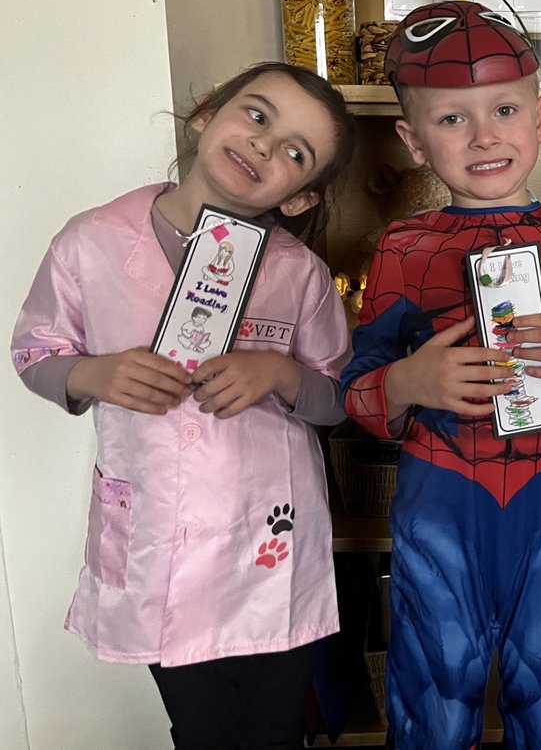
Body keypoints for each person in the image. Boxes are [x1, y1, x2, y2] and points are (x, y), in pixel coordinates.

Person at [11, 62, 357, 749]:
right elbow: (33, 352)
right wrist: (91, 373)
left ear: (299, 198)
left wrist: (281, 375)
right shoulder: (92, 241)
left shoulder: (299, 274)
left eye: (295, 152)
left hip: (269, 545)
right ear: (206, 115)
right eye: (257, 116)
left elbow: (338, 398)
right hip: (157, 537)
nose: (264, 145)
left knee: (278, 726)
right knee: (200, 728)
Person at [340, 0, 541, 749]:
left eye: (505, 109)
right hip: (440, 490)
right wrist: (409, 384)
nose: (484, 136)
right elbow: (357, 391)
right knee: (433, 676)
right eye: (452, 120)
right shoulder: (403, 247)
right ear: (412, 141)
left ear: (540, 117)